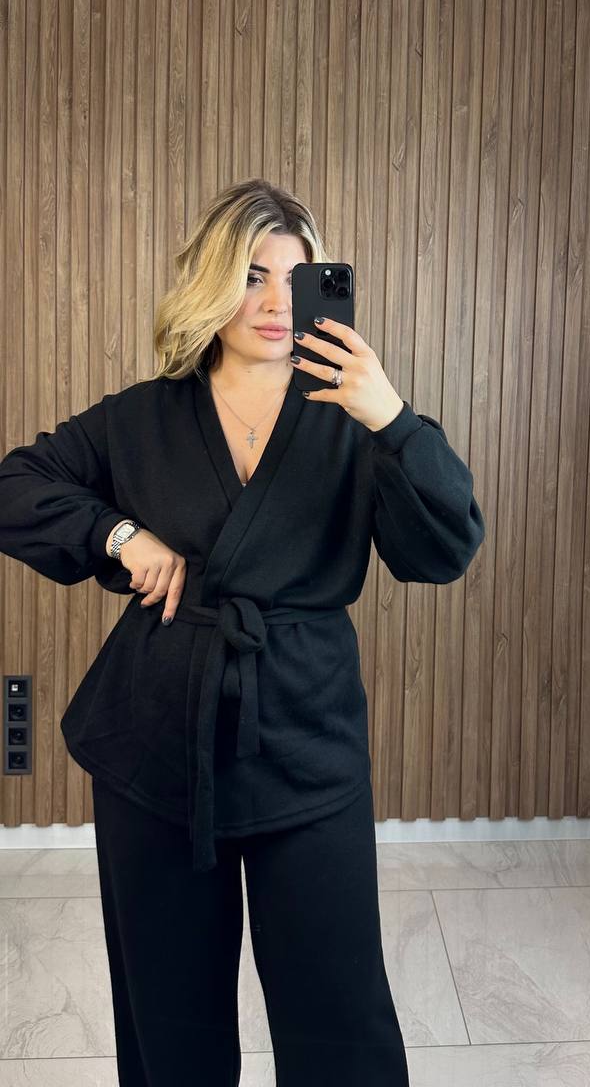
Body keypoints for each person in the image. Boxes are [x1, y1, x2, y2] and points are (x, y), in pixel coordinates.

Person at [0, 178, 485, 1086]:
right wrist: (120, 535)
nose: (273, 303)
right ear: (212, 283)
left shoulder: (355, 418)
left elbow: (446, 547)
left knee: (339, 1012)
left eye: (295, 281)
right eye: (252, 275)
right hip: (157, 732)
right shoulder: (143, 414)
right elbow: (15, 486)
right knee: (168, 1015)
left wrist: (393, 419)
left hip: (306, 730)